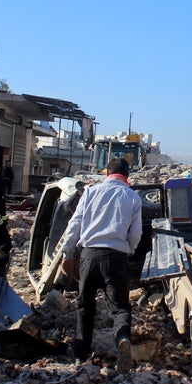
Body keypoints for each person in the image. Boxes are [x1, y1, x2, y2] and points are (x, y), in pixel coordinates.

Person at [60, 157, 142, 372]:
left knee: (84, 306)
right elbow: (136, 234)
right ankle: (122, 338)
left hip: (89, 256)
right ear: (127, 176)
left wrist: (67, 255)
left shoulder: (90, 192)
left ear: (107, 173)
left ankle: (79, 356)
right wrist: (129, 250)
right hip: (115, 257)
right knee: (120, 307)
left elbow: (74, 225)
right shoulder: (132, 196)